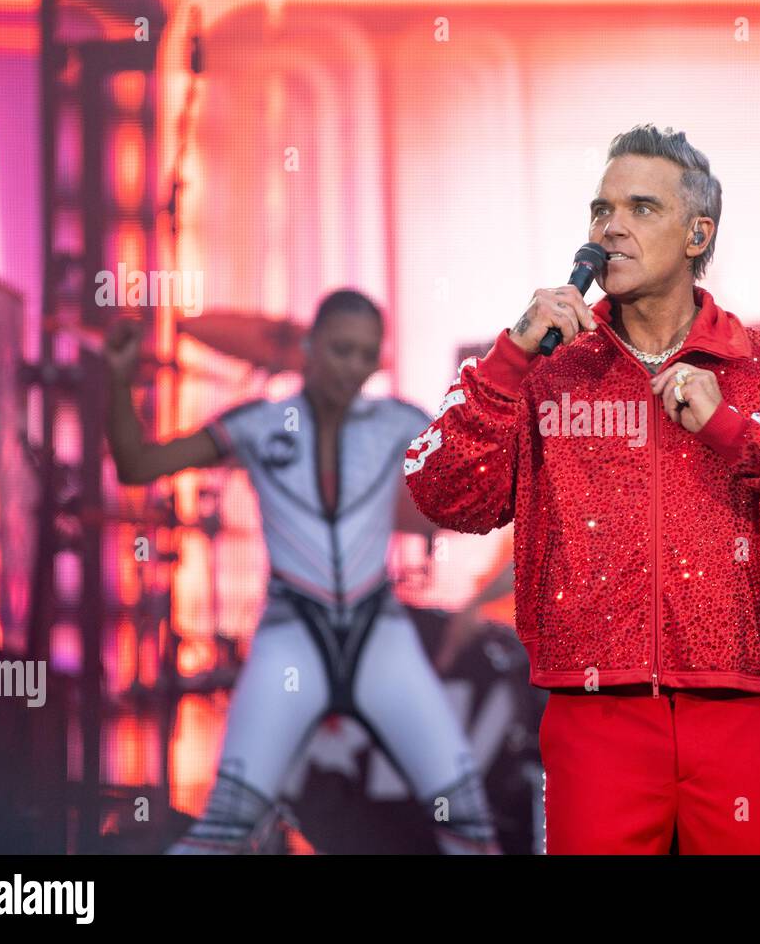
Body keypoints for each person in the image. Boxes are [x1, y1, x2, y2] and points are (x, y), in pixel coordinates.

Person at [405, 124, 760, 854]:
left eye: (641, 209)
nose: (611, 229)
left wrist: (732, 429)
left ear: (699, 234)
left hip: (738, 708)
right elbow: (441, 492)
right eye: (601, 211)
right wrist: (509, 357)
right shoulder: (549, 369)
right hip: (592, 713)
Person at [105, 288, 501, 854]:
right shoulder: (259, 424)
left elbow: (472, 484)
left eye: (367, 355)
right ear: (309, 347)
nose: (354, 368)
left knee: (466, 818)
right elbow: (138, 465)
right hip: (292, 635)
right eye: (341, 350)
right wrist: (119, 381)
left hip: (378, 633)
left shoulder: (397, 421)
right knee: (226, 827)